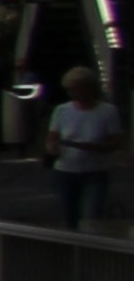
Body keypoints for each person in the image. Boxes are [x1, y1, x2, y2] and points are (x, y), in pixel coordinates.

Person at [56, 68, 123, 234]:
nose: (72, 94)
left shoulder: (107, 111)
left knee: (91, 219)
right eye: (69, 90)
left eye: (75, 89)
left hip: (95, 171)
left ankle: (88, 247)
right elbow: (52, 137)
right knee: (70, 219)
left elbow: (115, 141)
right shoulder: (62, 110)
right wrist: (52, 148)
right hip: (66, 171)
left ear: (88, 88)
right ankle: (73, 247)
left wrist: (93, 147)